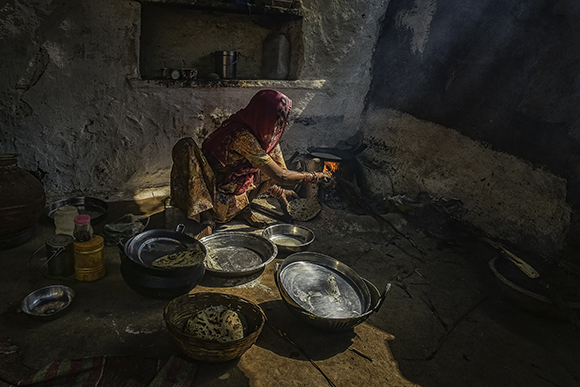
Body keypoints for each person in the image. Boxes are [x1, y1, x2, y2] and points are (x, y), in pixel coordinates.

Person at [170, 89, 330, 233]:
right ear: (264, 116)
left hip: (235, 201)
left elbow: (271, 172)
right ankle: (206, 220)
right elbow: (281, 176)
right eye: (278, 118)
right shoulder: (242, 137)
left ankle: (244, 210)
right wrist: (317, 176)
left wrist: (279, 193)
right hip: (212, 199)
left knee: (270, 149)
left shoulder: (262, 139)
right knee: (186, 146)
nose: (281, 124)